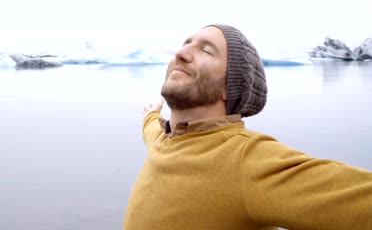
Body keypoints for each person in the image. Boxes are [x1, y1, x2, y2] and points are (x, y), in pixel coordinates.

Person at [123, 25, 372, 230]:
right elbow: (152, 129)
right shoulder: (162, 138)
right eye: (185, 43)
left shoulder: (246, 158)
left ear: (228, 88)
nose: (181, 53)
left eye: (206, 51)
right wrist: (152, 114)